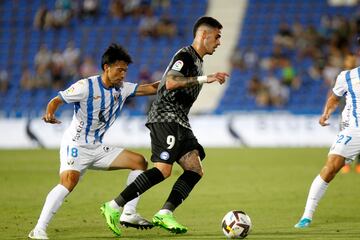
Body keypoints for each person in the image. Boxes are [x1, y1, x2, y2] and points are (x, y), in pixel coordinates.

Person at [100, 16, 228, 235]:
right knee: (163, 170)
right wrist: (203, 79)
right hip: (166, 117)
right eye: (216, 37)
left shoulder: (197, 60)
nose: (218, 43)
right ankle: (113, 206)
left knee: (195, 169)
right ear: (204, 35)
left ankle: (165, 213)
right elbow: (170, 82)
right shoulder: (185, 55)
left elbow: (166, 84)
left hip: (180, 120)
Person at [28, 43, 160, 239]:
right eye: (120, 70)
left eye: (125, 70)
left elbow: (150, 88)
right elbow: (57, 100)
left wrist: (176, 82)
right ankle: (38, 229)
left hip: (96, 147)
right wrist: (49, 114)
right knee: (69, 182)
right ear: (107, 67)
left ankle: (129, 213)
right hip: (76, 144)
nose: (123, 74)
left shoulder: (122, 88)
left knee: (139, 162)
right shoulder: (85, 86)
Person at [294, 63, 360, 228]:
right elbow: (334, 97)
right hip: (355, 130)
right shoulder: (346, 76)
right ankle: (306, 216)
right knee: (331, 167)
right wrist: (326, 113)